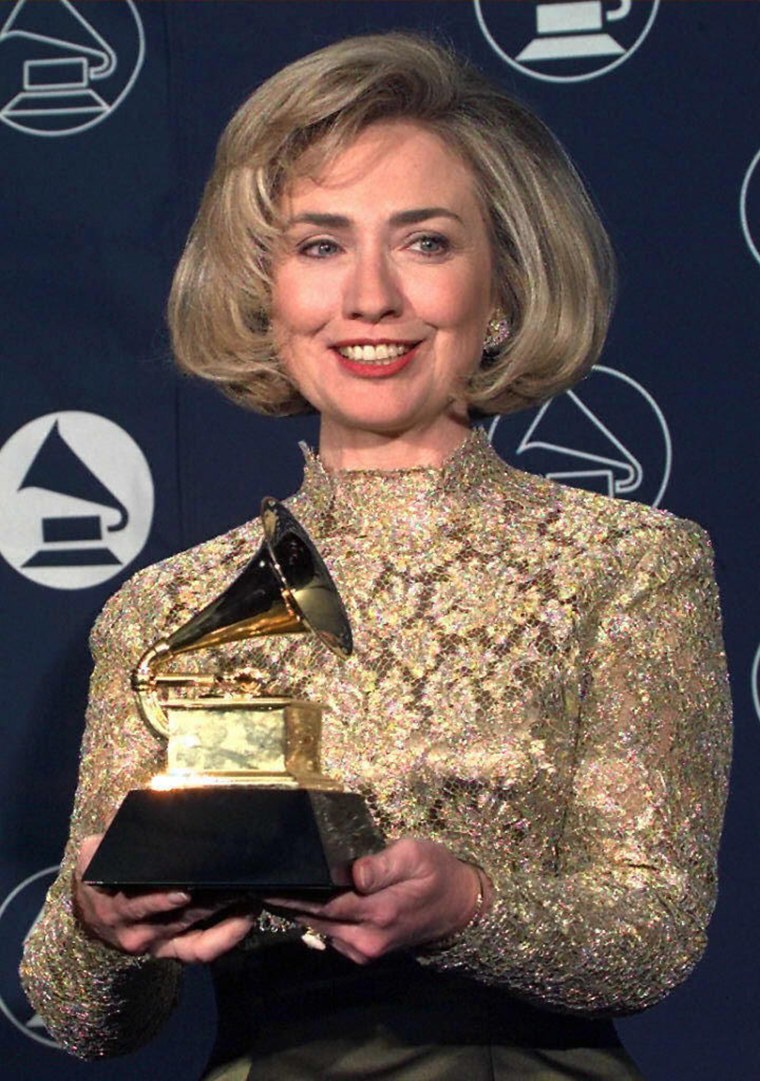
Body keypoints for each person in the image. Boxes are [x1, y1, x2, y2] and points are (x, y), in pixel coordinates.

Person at [21, 32, 731, 1080]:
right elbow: (84, 1020)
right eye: (319, 244)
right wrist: (98, 921)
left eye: (425, 242)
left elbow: (653, 935)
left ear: (500, 291)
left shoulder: (628, 565)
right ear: (265, 291)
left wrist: (469, 908)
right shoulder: (160, 607)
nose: (369, 297)